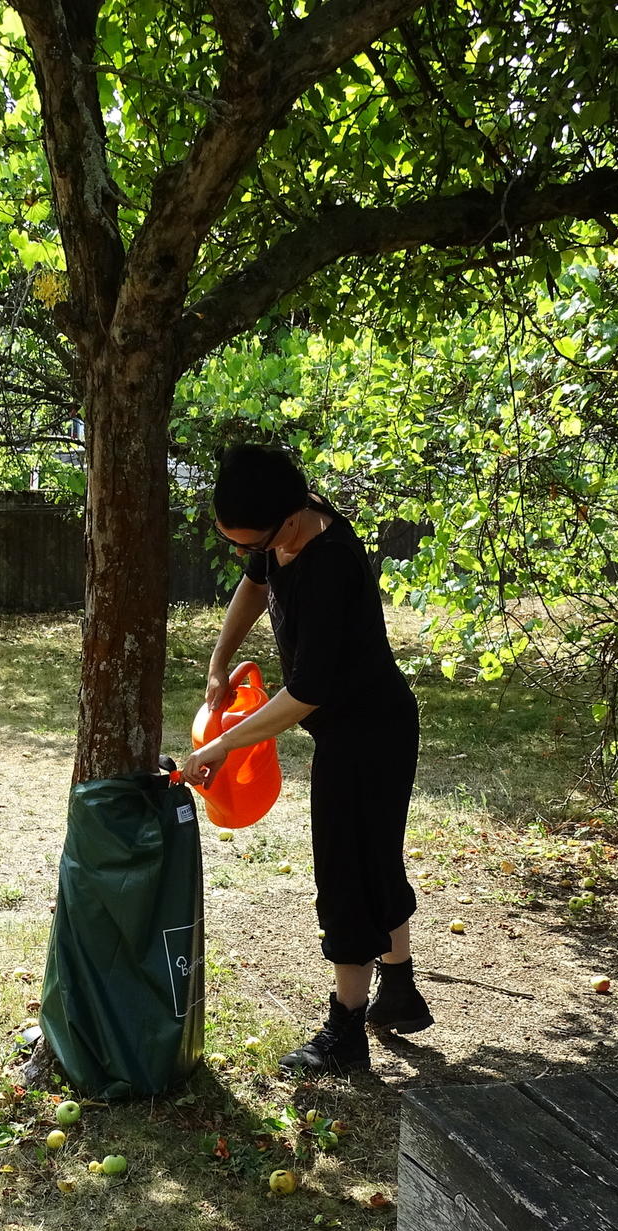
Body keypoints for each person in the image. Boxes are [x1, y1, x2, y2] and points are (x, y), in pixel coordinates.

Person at [177, 444, 431, 1074]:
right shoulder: (286, 527)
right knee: (376, 860)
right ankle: (397, 992)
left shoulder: (330, 566)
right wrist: (217, 659)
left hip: (369, 735)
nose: (246, 554)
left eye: (248, 542)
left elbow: (306, 694)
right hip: (361, 729)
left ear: (287, 521)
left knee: (347, 875)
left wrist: (220, 745)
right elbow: (254, 585)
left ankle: (345, 1031)